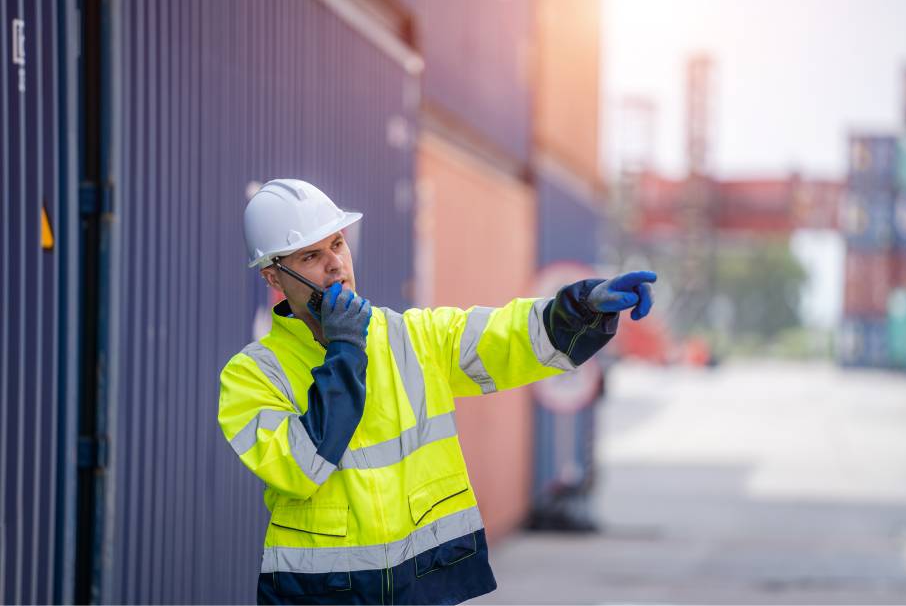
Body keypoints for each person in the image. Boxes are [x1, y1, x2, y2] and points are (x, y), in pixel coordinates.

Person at [218, 179, 657, 605]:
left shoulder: (413, 337)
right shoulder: (251, 375)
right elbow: (301, 467)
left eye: (337, 243)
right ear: (274, 277)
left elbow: (509, 337)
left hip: (422, 588)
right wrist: (346, 350)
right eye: (312, 255)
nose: (335, 264)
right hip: (321, 595)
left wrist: (582, 308)